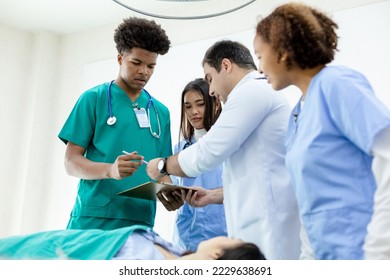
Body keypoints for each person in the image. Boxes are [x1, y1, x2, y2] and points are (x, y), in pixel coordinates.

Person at [253, 2, 390, 259]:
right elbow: (312, 204)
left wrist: (380, 251)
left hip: (366, 252)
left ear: (281, 51)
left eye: (260, 56)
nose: (259, 69)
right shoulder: (297, 116)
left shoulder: (336, 85)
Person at [147, 40, 301, 260]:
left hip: (271, 227)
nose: (211, 89)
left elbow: (206, 153)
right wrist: (211, 196)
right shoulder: (252, 94)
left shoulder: (252, 91)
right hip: (256, 226)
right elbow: (252, 179)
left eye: (210, 79)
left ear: (226, 66)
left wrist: (162, 165)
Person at [58, 17, 172, 230]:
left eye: (151, 66)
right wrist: (110, 170)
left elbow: (161, 170)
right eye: (136, 63)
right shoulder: (93, 99)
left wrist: (169, 191)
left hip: (140, 221)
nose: (144, 72)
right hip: (94, 218)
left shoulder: (161, 113)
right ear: (120, 59)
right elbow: (71, 162)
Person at [159, 78, 227, 252]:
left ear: (216, 104)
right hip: (185, 239)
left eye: (200, 104)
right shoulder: (179, 149)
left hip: (222, 239)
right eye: (188, 106)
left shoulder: (228, 144)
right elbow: (173, 188)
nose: (194, 112)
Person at [0, 225, 265, 260]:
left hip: (52, 254)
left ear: (218, 254)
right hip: (64, 239)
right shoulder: (175, 252)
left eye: (232, 238)